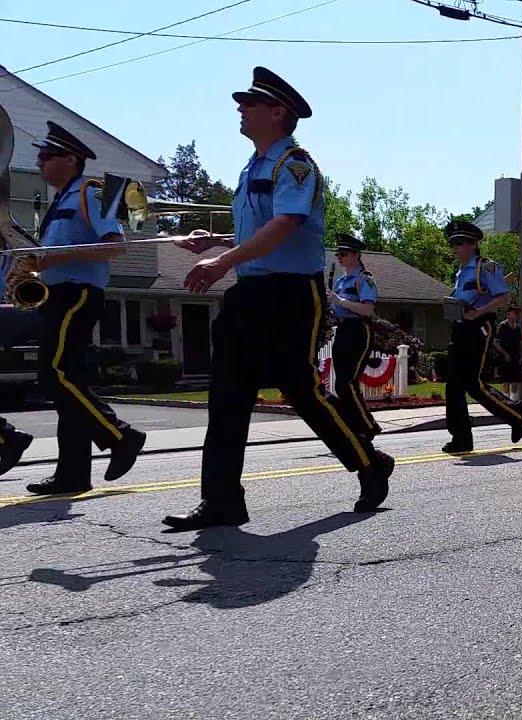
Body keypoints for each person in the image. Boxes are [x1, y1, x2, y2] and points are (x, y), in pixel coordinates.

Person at [164, 67, 394, 530]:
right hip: (249, 292)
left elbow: (287, 224)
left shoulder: (295, 164)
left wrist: (222, 261)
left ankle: (368, 462)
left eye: (249, 103)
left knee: (301, 390)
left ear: (277, 112)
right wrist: (215, 242)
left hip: (291, 294)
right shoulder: (253, 166)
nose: (241, 109)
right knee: (227, 395)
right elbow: (260, 229)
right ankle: (222, 500)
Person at [25, 122, 147, 496]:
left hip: (76, 294)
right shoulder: (60, 199)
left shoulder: (91, 191)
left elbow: (115, 244)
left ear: (70, 159)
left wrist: (53, 258)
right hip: (57, 294)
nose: (40, 162)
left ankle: (120, 435)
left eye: (47, 155)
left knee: (55, 375)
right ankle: (72, 473)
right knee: (70, 382)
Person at [440, 220, 522, 453]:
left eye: (459, 243)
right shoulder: (461, 271)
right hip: (460, 327)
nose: (455, 248)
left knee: (473, 384)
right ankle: (461, 438)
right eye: (453, 244)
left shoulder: (486, 267)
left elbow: (504, 298)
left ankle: (516, 413)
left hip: (479, 327)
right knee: (454, 386)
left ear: (473, 244)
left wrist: (478, 311)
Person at [325, 233, 380, 439]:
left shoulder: (364, 279)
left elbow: (368, 309)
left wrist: (340, 301)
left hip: (359, 330)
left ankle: (367, 426)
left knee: (347, 382)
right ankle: (355, 425)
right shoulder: (340, 281)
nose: (339, 257)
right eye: (338, 254)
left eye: (344, 253)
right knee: (342, 383)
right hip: (343, 329)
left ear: (356, 255)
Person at [495, 306, 522, 398]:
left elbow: (519, 343)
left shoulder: (517, 328)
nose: (517, 315)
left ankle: (513, 400)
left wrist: (520, 356)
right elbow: (496, 342)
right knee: (505, 381)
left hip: (515, 357)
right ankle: (505, 399)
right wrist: (505, 354)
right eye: (515, 313)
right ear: (509, 314)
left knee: (515, 381)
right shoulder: (502, 326)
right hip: (505, 358)